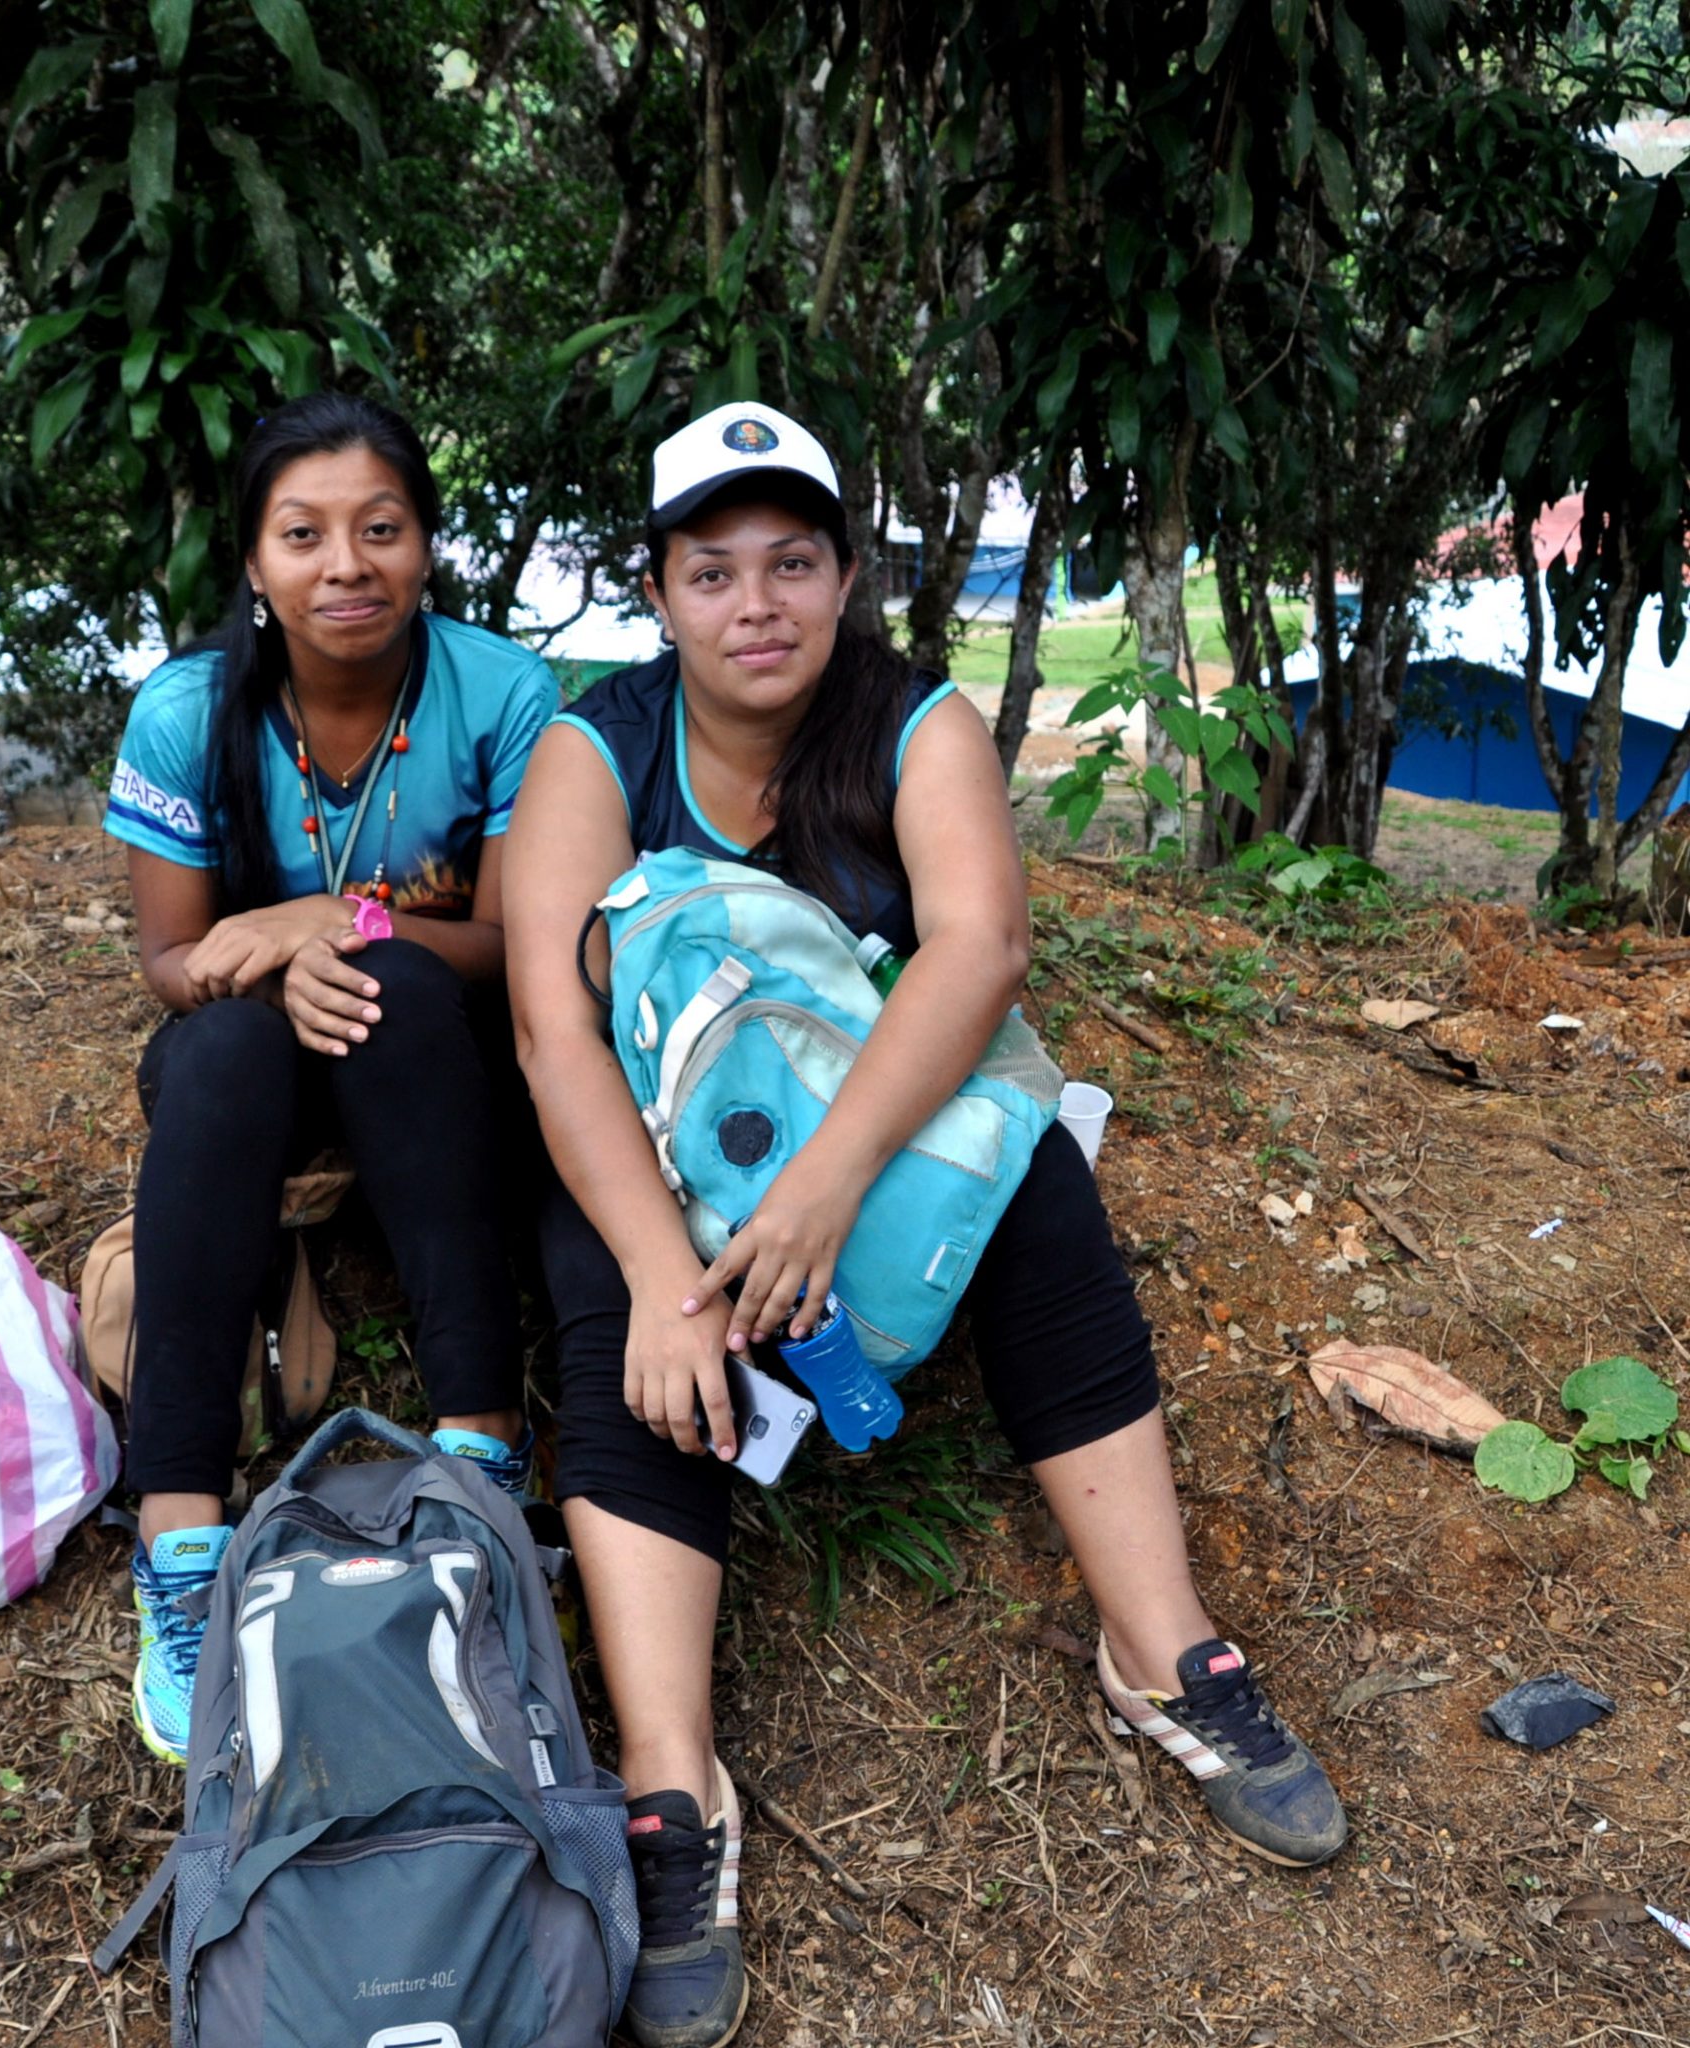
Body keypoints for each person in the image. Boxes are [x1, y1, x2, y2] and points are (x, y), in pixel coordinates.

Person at [504, 402, 1347, 2048]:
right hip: (668, 1154)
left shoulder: (914, 723)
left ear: (846, 576)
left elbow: (979, 953)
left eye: (794, 563)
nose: (758, 604)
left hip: (866, 1128)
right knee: (615, 1313)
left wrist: (826, 1190)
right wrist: (670, 1279)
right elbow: (552, 1030)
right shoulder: (594, 749)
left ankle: (1162, 1653)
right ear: (661, 593)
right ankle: (676, 1788)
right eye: (713, 569)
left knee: (1033, 1179)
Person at [104, 393, 557, 1765]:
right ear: (254, 561)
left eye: (380, 528)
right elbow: (176, 964)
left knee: (402, 981)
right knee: (233, 1040)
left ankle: (479, 1451)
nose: (344, 565)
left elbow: (521, 944)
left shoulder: (500, 694)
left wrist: (332, 924)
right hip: (245, 1062)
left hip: (434, 1044)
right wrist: (268, 965)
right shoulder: (187, 711)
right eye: (303, 534)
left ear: (426, 546)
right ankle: (180, 1541)